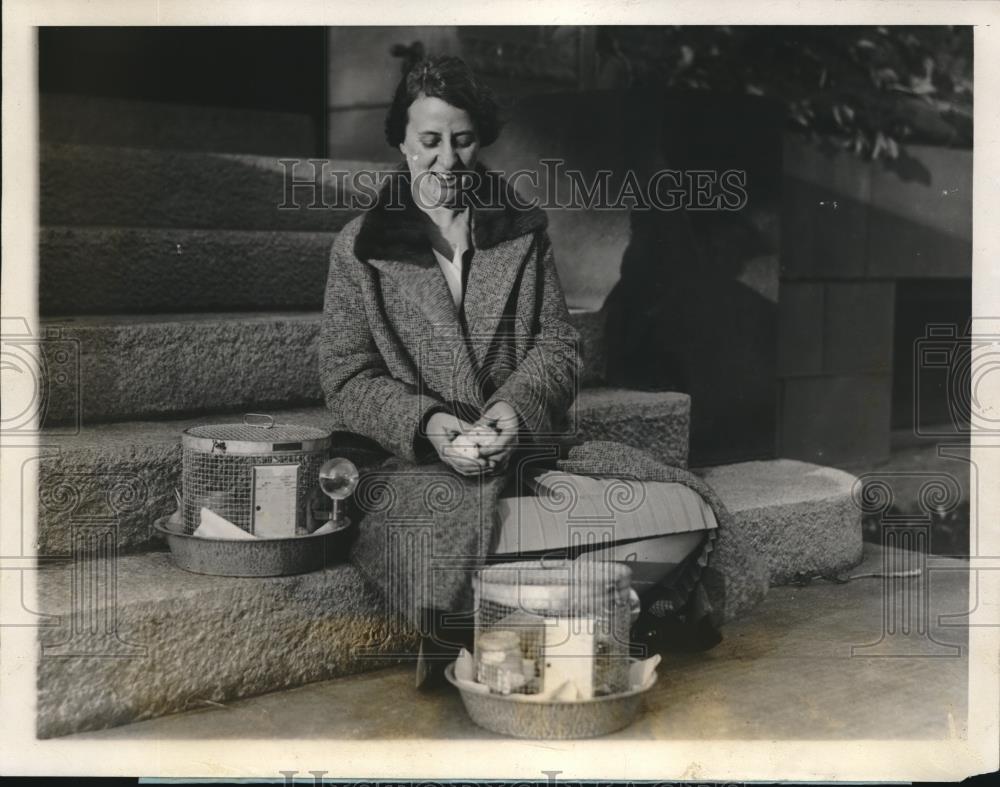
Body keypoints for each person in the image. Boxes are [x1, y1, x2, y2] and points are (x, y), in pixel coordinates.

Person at [318, 55, 726, 689]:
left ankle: (523, 623)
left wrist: (511, 411)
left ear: (481, 140)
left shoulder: (521, 230)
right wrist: (431, 426)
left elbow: (558, 347)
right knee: (439, 534)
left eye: (462, 140)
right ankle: (571, 618)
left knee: (686, 509)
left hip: (525, 449)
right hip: (414, 463)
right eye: (429, 141)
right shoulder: (360, 246)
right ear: (401, 140)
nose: (447, 161)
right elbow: (346, 378)